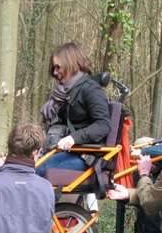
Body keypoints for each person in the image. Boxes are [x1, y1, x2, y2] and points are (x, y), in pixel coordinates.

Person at [36, 42, 111, 175]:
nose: (55, 72)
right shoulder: (65, 92)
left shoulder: (91, 89)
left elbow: (103, 125)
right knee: (20, 167)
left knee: (35, 171)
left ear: (72, 63)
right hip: (61, 151)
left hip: (83, 156)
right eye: (54, 68)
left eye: (58, 67)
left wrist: (73, 138)